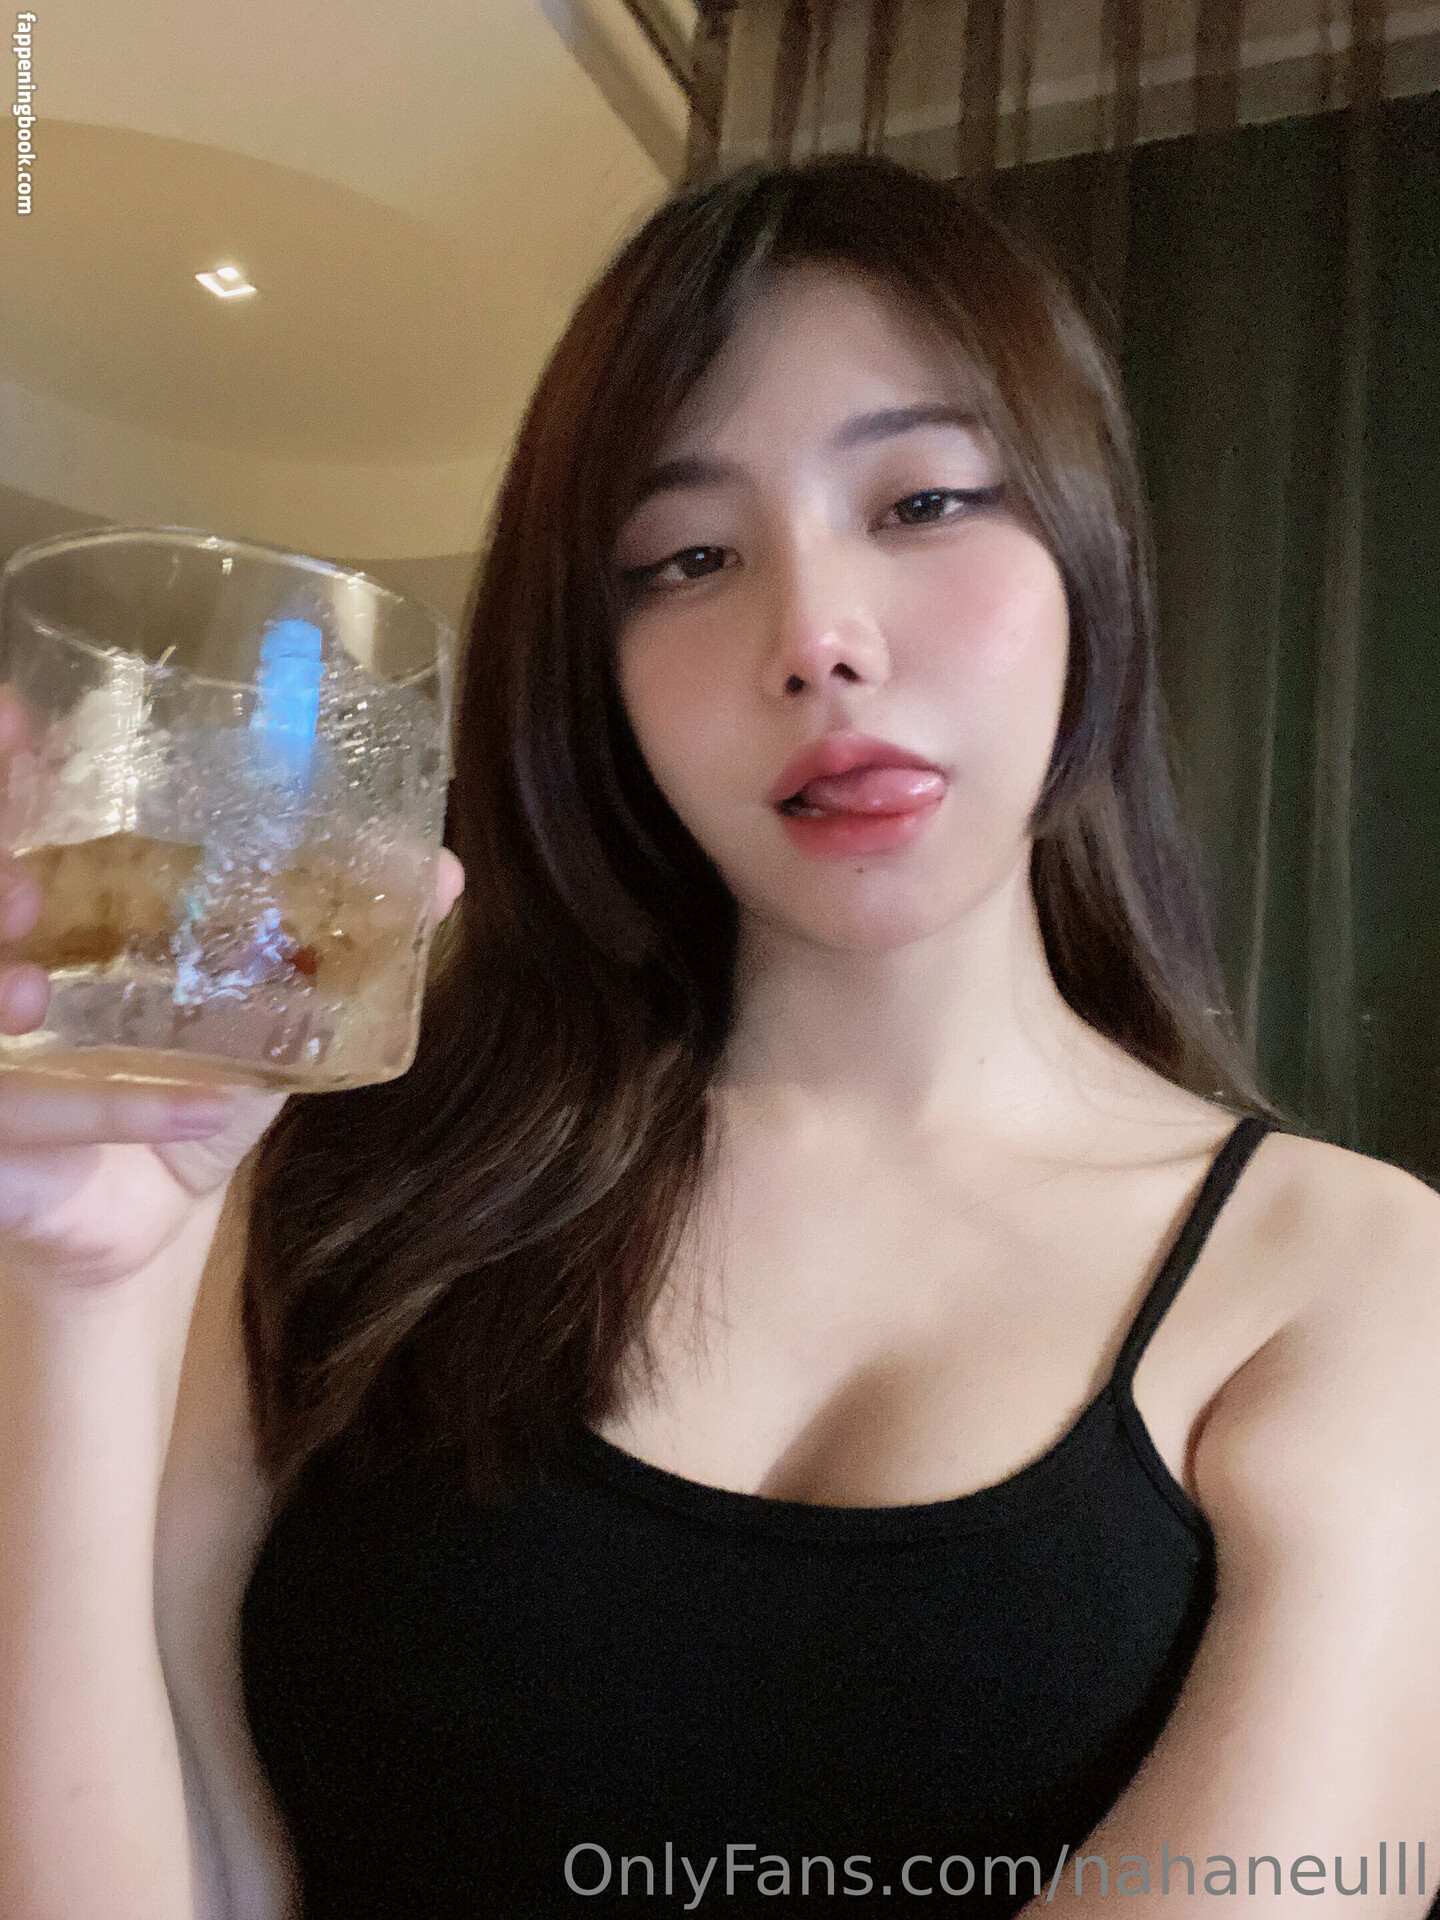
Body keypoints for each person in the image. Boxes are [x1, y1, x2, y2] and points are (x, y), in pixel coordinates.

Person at [1, 155, 1437, 1920]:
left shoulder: (1352, 1278)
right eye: (688, 558)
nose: (816, 639)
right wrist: (83, 1297)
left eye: (923, 502)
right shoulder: (333, 1175)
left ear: (1089, 555)